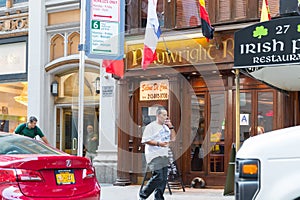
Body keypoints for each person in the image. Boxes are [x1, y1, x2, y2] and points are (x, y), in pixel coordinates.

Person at [139, 107, 176, 200]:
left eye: (166, 115)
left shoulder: (166, 128)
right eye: (164, 115)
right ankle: (143, 195)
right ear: (158, 116)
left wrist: (171, 126)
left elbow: (173, 138)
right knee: (158, 176)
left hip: (164, 155)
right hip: (153, 155)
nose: (166, 117)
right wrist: (159, 143)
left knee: (163, 179)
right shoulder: (151, 127)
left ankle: (159, 198)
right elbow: (145, 140)